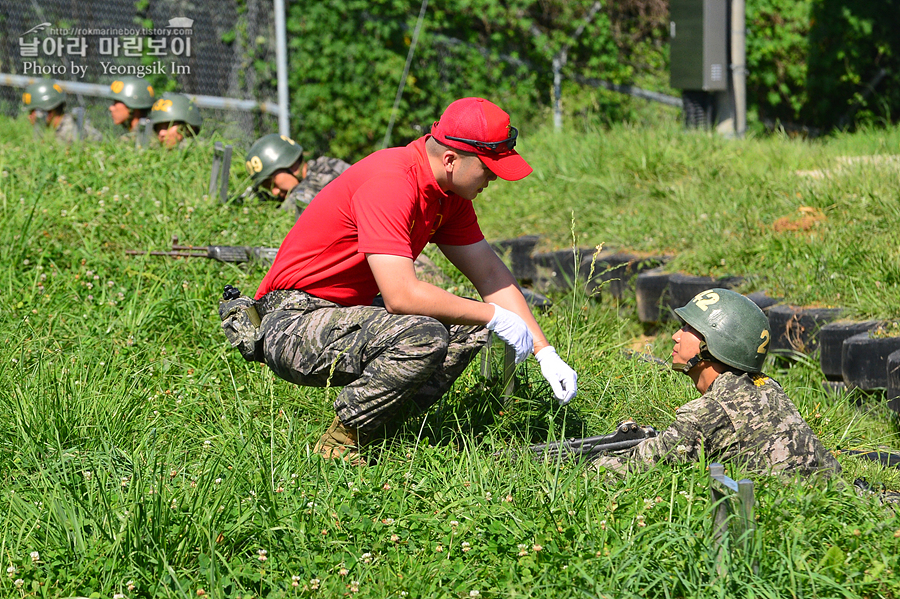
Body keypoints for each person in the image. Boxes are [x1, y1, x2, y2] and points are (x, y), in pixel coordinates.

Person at [226, 97, 578, 465]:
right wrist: (495, 315)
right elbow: (400, 296)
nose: (493, 178)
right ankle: (342, 442)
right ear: (451, 160)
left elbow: (489, 273)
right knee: (425, 335)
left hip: (342, 312)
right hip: (289, 319)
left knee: (468, 327)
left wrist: (544, 350)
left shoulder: (448, 194)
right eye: (489, 168)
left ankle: (387, 428)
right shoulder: (392, 181)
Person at [593, 288, 840, 476]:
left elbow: (635, 467)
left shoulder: (708, 412)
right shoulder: (766, 386)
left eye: (689, 328)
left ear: (713, 344)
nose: (676, 336)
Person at [244, 133, 351, 218]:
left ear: (289, 164)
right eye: (267, 187)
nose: (274, 192)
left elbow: (289, 213)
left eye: (273, 183)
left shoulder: (327, 172)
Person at [22, 79, 102, 143]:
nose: (29, 117)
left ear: (47, 111)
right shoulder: (64, 127)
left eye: (31, 112)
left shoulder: (68, 133)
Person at [108, 76, 155, 140]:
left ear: (132, 106)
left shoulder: (147, 140)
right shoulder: (136, 136)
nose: (111, 108)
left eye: (116, 103)